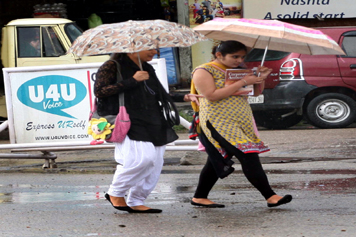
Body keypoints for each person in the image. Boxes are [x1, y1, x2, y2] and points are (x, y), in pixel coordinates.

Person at [190, 40, 292, 208]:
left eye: (242, 57)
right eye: (234, 56)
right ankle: (270, 196)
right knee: (248, 154)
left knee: (218, 158)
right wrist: (243, 82)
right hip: (217, 120)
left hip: (240, 119)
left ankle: (200, 196)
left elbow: (255, 92)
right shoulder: (203, 70)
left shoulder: (238, 71)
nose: (238, 60)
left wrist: (260, 79)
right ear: (219, 55)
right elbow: (211, 95)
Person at [95, 49, 195, 213]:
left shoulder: (146, 67)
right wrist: (132, 80)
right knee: (143, 159)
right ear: (133, 48)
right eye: (149, 47)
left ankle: (136, 199)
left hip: (153, 118)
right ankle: (116, 192)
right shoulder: (111, 66)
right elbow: (100, 91)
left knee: (155, 163)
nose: (155, 51)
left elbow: (158, 92)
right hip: (129, 119)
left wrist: (183, 97)